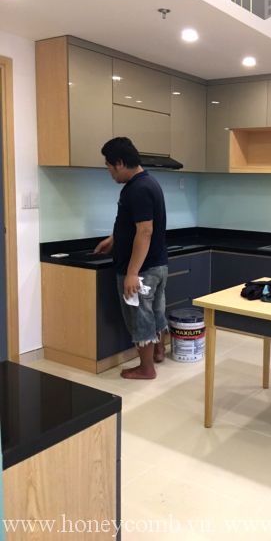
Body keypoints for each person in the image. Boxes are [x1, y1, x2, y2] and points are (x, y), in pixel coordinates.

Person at [95, 137, 168, 379]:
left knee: (140, 316)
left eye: (109, 167)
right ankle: (158, 353)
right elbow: (135, 224)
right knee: (155, 310)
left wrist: (132, 272)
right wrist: (114, 239)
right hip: (157, 264)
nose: (109, 173)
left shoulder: (138, 189)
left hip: (142, 268)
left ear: (119, 162)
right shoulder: (148, 182)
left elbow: (144, 231)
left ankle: (146, 368)